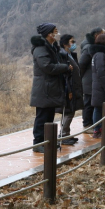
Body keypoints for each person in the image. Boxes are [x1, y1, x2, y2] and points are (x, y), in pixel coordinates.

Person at [30, 23, 71, 153]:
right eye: (55, 31)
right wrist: (65, 67)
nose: (57, 33)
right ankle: (38, 143)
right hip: (44, 89)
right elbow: (47, 67)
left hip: (51, 88)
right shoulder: (41, 48)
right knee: (42, 117)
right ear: (49, 34)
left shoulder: (52, 47)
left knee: (49, 117)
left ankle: (47, 142)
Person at [79, 27, 105, 128]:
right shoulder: (88, 47)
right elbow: (81, 64)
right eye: (101, 34)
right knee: (88, 103)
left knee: (92, 102)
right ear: (96, 35)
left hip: (92, 79)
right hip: (89, 79)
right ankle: (87, 124)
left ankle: (93, 123)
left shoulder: (94, 46)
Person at [57, 34, 81, 145]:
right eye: (72, 41)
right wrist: (69, 90)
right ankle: (63, 135)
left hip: (74, 85)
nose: (74, 43)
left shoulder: (70, 54)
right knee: (69, 111)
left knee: (70, 111)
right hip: (68, 87)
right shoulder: (62, 55)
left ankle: (66, 133)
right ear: (65, 43)